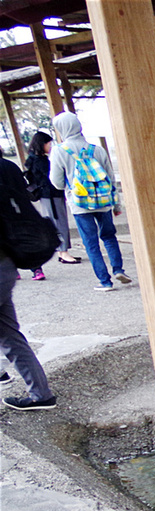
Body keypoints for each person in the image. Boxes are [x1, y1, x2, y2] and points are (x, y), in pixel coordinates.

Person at [48, 111, 131, 292]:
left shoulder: (59, 151)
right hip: (103, 202)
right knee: (109, 236)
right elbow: (110, 178)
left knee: (91, 242)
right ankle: (118, 269)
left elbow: (57, 183)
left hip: (80, 204)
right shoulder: (97, 149)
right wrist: (116, 203)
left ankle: (105, 281)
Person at [0, 155, 57, 410]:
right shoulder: (8, 168)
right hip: (7, 263)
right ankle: (40, 394)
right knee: (9, 334)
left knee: (9, 334)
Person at [25, 129, 80, 275]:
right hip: (50, 194)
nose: (50, 145)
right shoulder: (40, 161)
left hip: (47, 195)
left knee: (57, 221)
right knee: (59, 221)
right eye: (48, 143)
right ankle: (63, 251)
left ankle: (62, 251)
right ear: (41, 144)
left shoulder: (33, 159)